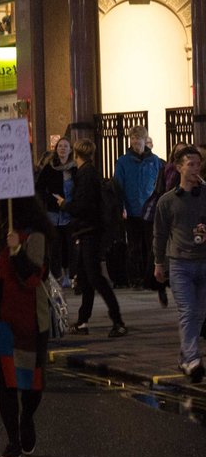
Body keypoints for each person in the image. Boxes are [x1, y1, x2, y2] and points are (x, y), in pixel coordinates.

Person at [0, 195, 52, 457]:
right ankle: (12, 440)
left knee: (32, 385)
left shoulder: (36, 235)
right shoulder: (0, 232)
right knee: (6, 381)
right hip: (0, 319)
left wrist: (18, 252)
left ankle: (27, 419)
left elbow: (34, 278)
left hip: (29, 321)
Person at [57, 139, 128, 337]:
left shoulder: (85, 175)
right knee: (87, 279)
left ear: (76, 155)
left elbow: (83, 207)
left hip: (90, 232)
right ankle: (82, 321)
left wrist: (64, 204)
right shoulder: (91, 172)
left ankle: (118, 321)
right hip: (90, 231)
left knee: (96, 278)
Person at [152, 145, 206, 383]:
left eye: (198, 164)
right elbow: (160, 234)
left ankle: (185, 356)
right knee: (187, 312)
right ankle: (193, 360)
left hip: (204, 262)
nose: (195, 168)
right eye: (190, 164)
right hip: (180, 265)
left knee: (200, 314)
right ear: (179, 167)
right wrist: (158, 263)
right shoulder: (167, 201)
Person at [113, 126, 164, 290]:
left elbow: (159, 184)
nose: (135, 141)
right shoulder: (122, 161)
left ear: (145, 139)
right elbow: (117, 186)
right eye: (133, 138)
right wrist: (121, 207)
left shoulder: (154, 160)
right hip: (131, 210)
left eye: (138, 138)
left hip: (150, 210)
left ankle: (149, 278)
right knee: (134, 246)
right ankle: (135, 278)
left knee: (151, 245)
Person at [36, 138, 75, 287]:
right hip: (54, 213)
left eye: (66, 146)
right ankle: (57, 275)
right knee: (55, 246)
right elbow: (40, 188)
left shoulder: (74, 168)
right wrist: (51, 200)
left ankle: (71, 275)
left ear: (70, 150)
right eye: (60, 146)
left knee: (69, 245)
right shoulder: (49, 168)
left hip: (69, 212)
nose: (63, 149)